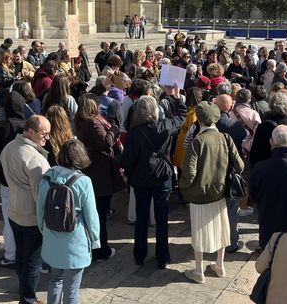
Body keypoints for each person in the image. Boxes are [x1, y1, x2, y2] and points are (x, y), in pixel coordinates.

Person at [180, 101, 244, 283]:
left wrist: (184, 188)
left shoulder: (197, 141)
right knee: (222, 230)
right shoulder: (226, 138)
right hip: (221, 192)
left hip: (199, 195)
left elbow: (189, 173)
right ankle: (219, 265)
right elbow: (240, 165)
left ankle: (199, 271)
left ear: (199, 120)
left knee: (199, 232)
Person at [122, 93, 186, 268]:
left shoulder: (135, 134)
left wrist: (132, 176)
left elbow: (127, 161)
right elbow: (182, 115)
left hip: (141, 179)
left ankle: (140, 254)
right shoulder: (165, 126)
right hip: (162, 176)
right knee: (161, 218)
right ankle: (162, 256)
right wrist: (176, 97)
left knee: (141, 218)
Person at [36, 139, 100, 304]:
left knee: (55, 280)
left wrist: (44, 230)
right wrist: (95, 239)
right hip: (75, 241)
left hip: (52, 238)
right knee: (72, 289)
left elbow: (40, 210)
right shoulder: (83, 182)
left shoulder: (47, 178)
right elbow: (91, 215)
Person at [0, 115, 51, 304]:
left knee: (22, 256)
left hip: (14, 211)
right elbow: (41, 195)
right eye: (44, 135)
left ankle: (24, 290)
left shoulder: (9, 148)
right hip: (31, 217)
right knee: (32, 261)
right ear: (30, 132)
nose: (47, 138)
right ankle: (28, 298)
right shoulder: (35, 159)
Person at [75, 93, 125, 262]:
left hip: (92, 169)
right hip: (100, 173)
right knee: (99, 214)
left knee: (94, 212)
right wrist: (113, 130)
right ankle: (100, 249)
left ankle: (93, 246)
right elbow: (105, 142)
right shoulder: (93, 123)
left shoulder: (80, 120)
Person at [0, 92, 28, 269]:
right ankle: (29, 254)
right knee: (29, 220)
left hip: (6, 182)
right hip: (26, 183)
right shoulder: (27, 127)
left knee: (9, 220)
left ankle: (10, 255)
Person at [214, 94, 248, 252]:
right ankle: (231, 243)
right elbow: (244, 136)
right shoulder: (234, 124)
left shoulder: (208, 123)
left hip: (213, 173)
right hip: (231, 173)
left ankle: (215, 242)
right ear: (230, 106)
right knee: (232, 210)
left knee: (214, 210)